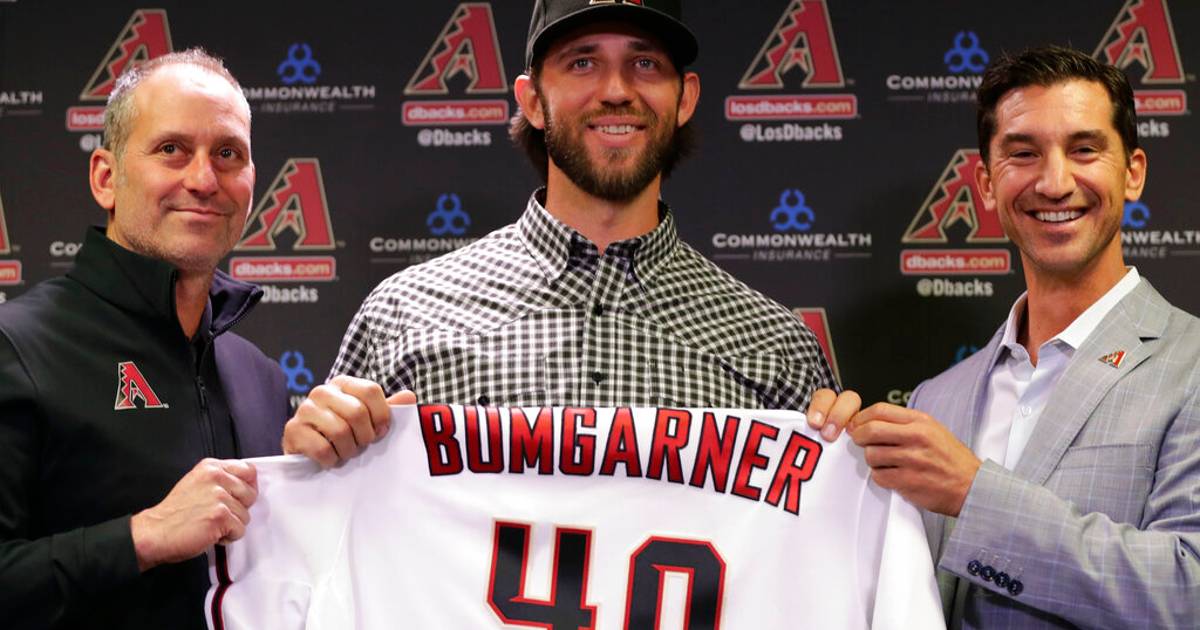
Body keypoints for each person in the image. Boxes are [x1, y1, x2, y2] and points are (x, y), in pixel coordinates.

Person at [282, 0, 859, 467]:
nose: (616, 90)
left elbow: (821, 554)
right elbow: (328, 530)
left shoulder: (776, 344)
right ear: (533, 100)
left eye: (646, 63)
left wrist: (863, 469)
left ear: (685, 99)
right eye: (583, 63)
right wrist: (307, 463)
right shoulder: (403, 314)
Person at [846, 46, 1200, 628]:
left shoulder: (1190, 366)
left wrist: (975, 495)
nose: (1055, 183)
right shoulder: (936, 399)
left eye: (1084, 149)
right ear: (986, 184)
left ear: (1133, 172)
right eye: (1023, 153)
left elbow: (1187, 591)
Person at [0, 50, 288, 629]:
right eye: (171, 149)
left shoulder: (261, 377)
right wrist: (142, 537)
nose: (203, 180)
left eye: (228, 154)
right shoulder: (17, 346)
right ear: (106, 178)